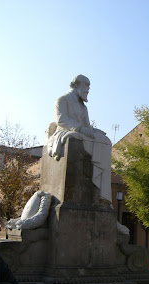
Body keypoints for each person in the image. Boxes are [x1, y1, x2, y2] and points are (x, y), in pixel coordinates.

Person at [46, 74, 112, 203]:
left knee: (106, 141)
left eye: (89, 86)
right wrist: (80, 128)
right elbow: (61, 119)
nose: (88, 89)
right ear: (77, 85)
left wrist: (96, 131)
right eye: (86, 85)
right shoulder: (62, 100)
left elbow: (87, 126)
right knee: (74, 137)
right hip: (65, 131)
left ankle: (101, 193)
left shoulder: (83, 107)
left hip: (82, 132)